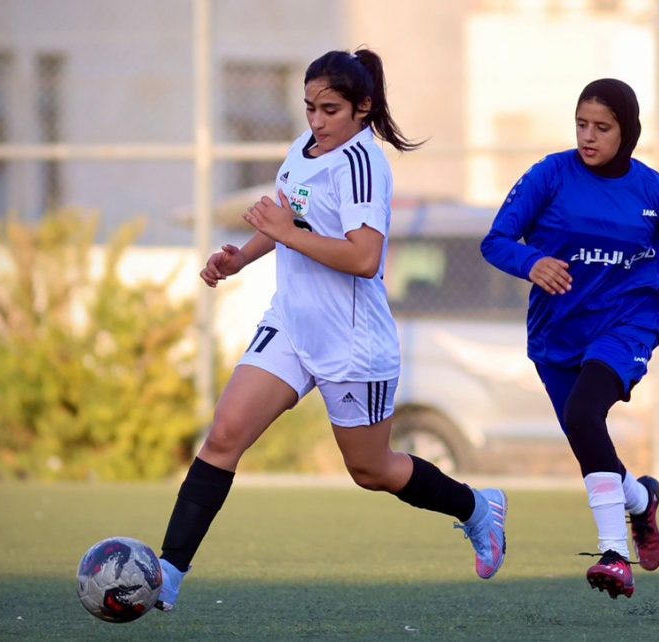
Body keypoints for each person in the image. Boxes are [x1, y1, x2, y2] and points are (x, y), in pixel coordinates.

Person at [154, 49, 507, 612]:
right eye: (310, 108)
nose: (316, 121)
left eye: (330, 110)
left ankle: (477, 508)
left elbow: (364, 258)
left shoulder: (364, 164)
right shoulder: (304, 148)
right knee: (224, 436)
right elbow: (288, 219)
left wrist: (286, 232)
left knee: (372, 469)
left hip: (352, 341)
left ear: (362, 107)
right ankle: (168, 574)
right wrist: (241, 257)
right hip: (292, 324)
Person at [481, 78, 659, 599]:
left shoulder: (657, 192)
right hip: (555, 334)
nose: (588, 136)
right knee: (585, 433)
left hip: (625, 326)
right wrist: (531, 261)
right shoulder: (550, 175)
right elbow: (495, 241)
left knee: (584, 414)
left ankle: (614, 555)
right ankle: (640, 500)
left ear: (627, 131)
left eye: (602, 127)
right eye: (581, 125)